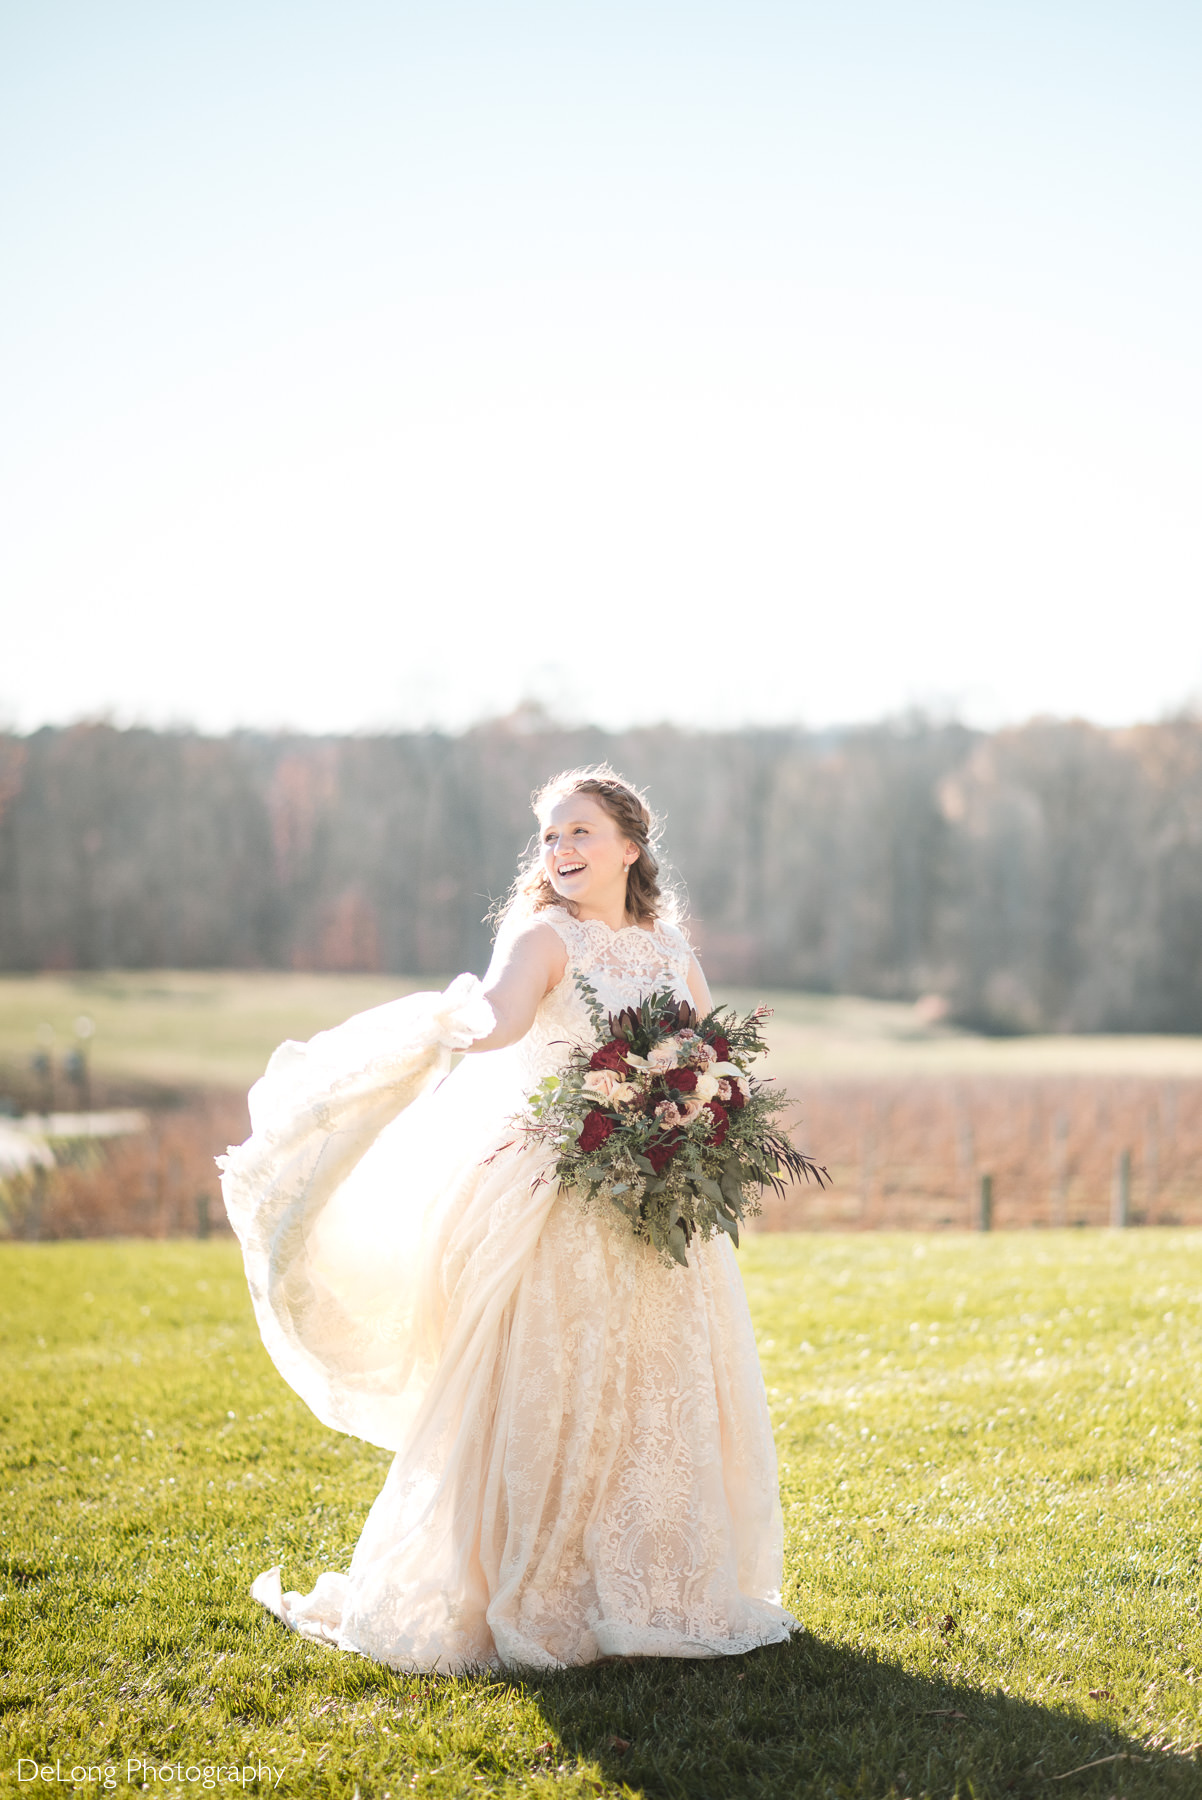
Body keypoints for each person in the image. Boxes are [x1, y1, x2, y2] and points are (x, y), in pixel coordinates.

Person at [220, 766, 795, 1670]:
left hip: (655, 1184)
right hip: (558, 1187)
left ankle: (657, 1577)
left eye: (580, 834)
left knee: (656, 1377)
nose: (561, 852)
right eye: (551, 837)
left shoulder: (670, 945)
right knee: (558, 1378)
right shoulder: (542, 937)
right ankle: (537, 1582)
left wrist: (703, 1105)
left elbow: (705, 1047)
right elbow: (499, 1018)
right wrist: (448, 1023)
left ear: (629, 849)